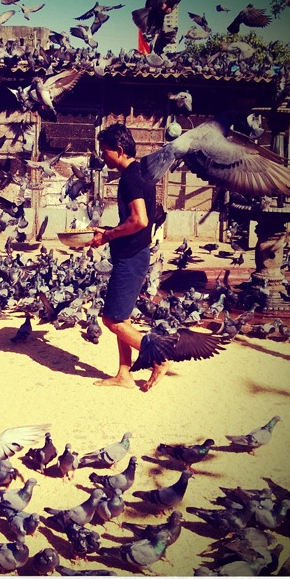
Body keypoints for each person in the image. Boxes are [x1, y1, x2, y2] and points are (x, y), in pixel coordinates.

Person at [89, 122, 169, 391]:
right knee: (121, 317)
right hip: (136, 253)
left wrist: (108, 236)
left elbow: (140, 220)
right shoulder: (141, 172)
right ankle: (124, 374)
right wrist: (110, 230)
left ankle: (158, 358)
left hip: (132, 257)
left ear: (120, 150)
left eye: (105, 151)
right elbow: (136, 221)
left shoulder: (130, 177)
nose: (102, 157)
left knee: (110, 320)